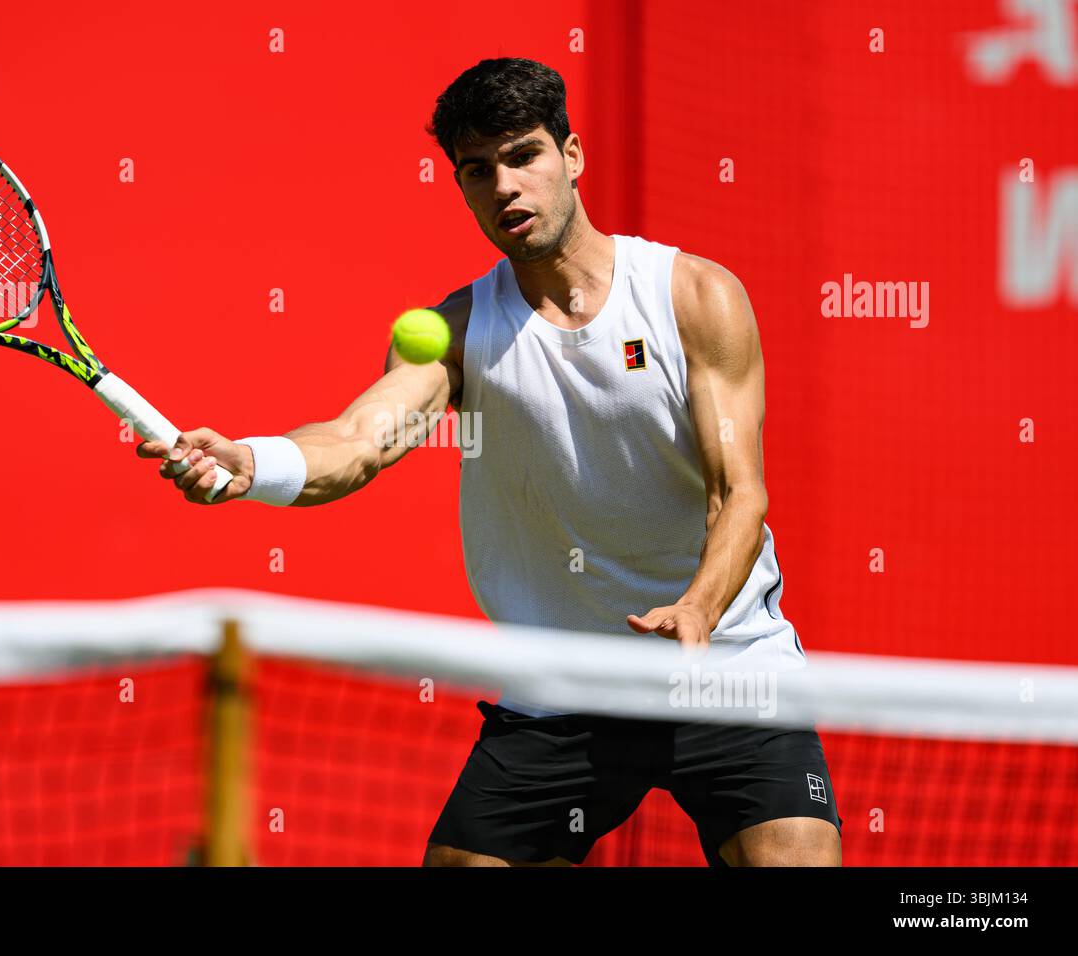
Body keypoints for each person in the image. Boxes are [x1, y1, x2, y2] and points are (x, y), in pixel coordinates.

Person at [138, 57, 842, 867]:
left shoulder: (693, 296)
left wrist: (698, 610)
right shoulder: (461, 331)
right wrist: (249, 463)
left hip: (727, 666)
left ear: (571, 156)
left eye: (523, 156)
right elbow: (357, 442)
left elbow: (740, 495)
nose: (504, 186)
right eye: (477, 170)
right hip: (564, 688)